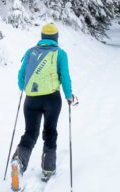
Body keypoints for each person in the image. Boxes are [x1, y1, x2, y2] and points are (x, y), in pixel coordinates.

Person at [11, 23, 74, 190]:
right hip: (52, 99)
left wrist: (24, 88)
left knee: (30, 133)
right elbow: (65, 77)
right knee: (50, 132)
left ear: (42, 36)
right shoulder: (60, 54)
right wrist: (69, 96)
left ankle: (19, 162)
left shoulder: (30, 52)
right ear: (56, 37)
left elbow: (21, 77)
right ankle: (47, 168)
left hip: (31, 99)